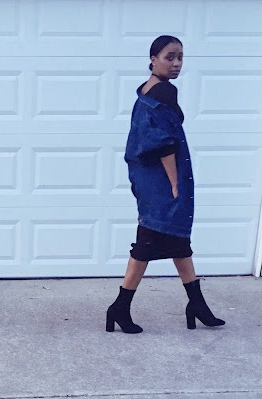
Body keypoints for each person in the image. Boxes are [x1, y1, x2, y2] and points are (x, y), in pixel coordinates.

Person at [106, 35, 225, 334]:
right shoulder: (163, 91)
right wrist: (175, 185)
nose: (176, 64)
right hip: (160, 183)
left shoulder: (146, 90)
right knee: (147, 242)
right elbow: (163, 144)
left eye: (180, 57)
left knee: (178, 241)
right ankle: (120, 307)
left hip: (148, 180)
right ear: (153, 59)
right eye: (169, 57)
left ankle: (196, 304)